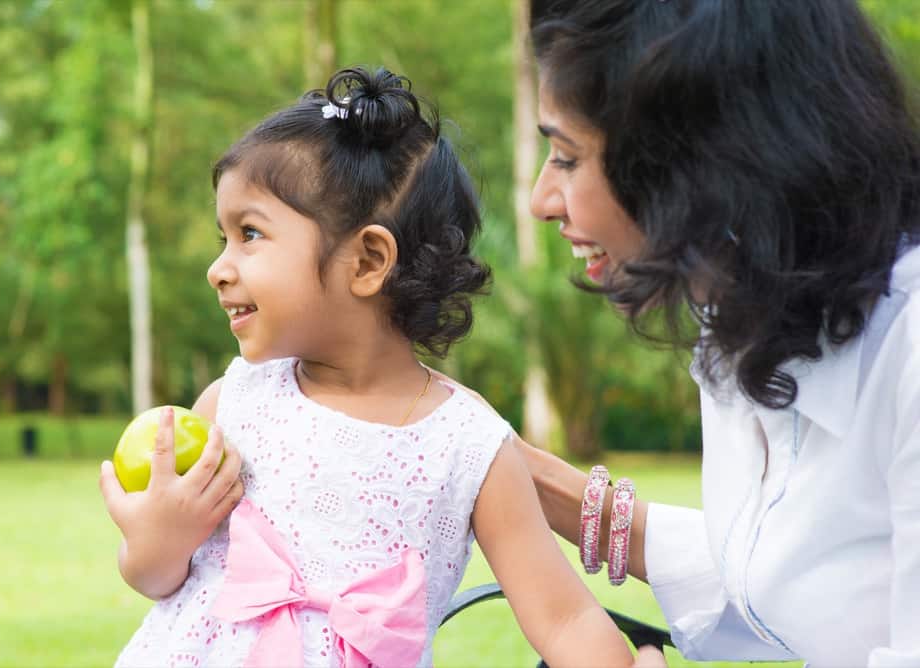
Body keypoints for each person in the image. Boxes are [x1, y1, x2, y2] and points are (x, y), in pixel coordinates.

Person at [99, 67, 637, 668]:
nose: (218, 268)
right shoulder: (233, 403)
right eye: (223, 237)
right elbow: (156, 580)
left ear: (368, 261)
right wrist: (156, 542)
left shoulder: (468, 443)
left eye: (249, 234)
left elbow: (565, 620)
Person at [510, 0, 920, 666]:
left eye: (565, 156)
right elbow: (776, 573)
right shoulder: (743, 318)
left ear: (692, 162)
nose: (540, 200)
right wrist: (507, 466)